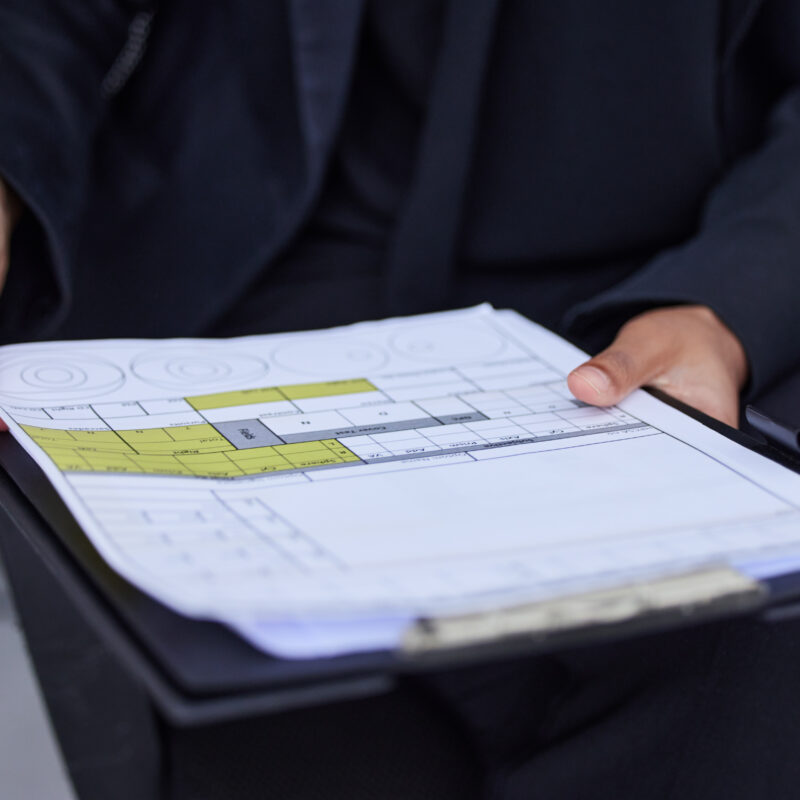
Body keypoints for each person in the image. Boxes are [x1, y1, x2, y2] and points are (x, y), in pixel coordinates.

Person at [0, 1, 799, 797]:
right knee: (248, 681)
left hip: (668, 289)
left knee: (732, 655)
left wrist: (728, 301)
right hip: (238, 273)